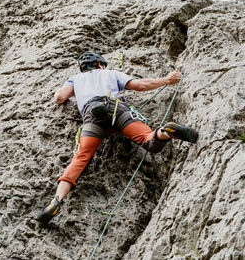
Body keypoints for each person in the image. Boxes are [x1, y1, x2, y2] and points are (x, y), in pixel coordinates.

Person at [38, 51, 198, 225]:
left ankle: (56, 200)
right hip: (117, 110)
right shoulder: (110, 74)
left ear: (83, 67)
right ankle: (165, 131)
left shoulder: (75, 79)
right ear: (100, 64)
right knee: (149, 141)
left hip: (92, 117)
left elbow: (60, 97)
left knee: (80, 159)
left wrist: (58, 91)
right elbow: (140, 85)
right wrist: (167, 80)